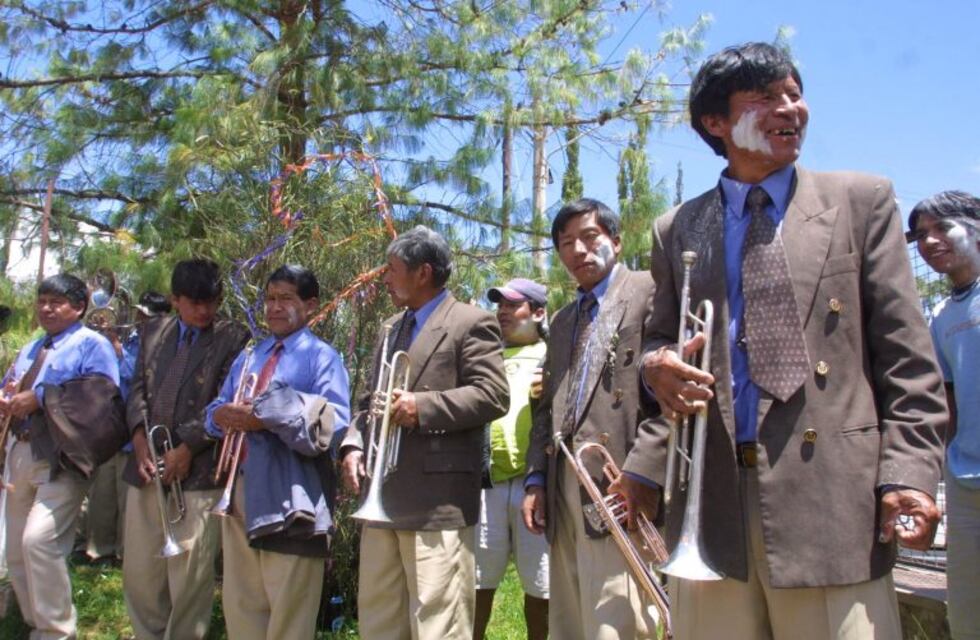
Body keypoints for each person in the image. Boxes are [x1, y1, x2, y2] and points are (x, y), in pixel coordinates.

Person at [634, 42, 947, 639]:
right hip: (714, 508)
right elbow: (657, 338)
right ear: (716, 122)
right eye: (765, 97)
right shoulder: (677, 227)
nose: (790, 109)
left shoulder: (861, 201)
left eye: (795, 94)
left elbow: (907, 360)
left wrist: (908, 474)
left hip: (834, 504)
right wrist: (657, 366)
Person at [340, 225, 509, 640]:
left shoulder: (471, 321)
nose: (385, 277)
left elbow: (493, 395)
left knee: (439, 625)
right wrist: (353, 445)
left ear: (423, 273)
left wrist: (423, 407)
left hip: (437, 503)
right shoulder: (390, 327)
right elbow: (369, 401)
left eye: (392, 268)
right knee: (379, 622)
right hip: (382, 498)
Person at [521, 198, 660, 640]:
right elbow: (547, 407)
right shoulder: (563, 319)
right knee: (570, 624)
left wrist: (645, 472)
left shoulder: (650, 290)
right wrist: (536, 479)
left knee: (616, 623)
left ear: (616, 242)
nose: (578, 250)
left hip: (621, 482)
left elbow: (668, 399)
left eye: (589, 237)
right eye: (566, 243)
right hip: (564, 488)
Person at [206, 264, 351, 640]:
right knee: (242, 604)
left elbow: (336, 423)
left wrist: (267, 418)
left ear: (310, 305)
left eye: (285, 298)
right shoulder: (250, 355)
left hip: (293, 495)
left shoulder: (322, 357)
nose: (274, 307)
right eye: (270, 298)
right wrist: (220, 415)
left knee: (289, 611)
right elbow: (217, 408)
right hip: (240, 490)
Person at [122, 260, 248, 640]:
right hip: (145, 466)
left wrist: (187, 448)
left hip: (199, 471)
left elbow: (226, 398)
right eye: (194, 302)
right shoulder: (152, 331)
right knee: (141, 570)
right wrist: (140, 440)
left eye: (211, 301)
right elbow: (137, 389)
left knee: (190, 574)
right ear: (175, 299)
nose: (204, 310)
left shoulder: (233, 336)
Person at [0, 273, 121, 639]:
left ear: (79, 307)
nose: (46, 309)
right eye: (42, 301)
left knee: (40, 541)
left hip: (62, 457)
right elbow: (13, 384)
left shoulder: (92, 344)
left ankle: (56, 631)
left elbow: (102, 399)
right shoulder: (32, 347)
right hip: (20, 449)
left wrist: (40, 398)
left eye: (56, 302)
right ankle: (34, 622)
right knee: (15, 549)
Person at [909, 191, 980, 640]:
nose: (929, 241)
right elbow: (945, 401)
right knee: (968, 615)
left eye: (941, 227)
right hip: (965, 483)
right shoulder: (940, 315)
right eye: (920, 235)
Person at [474, 278, 550, 640]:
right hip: (485, 484)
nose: (502, 312)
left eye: (512, 305)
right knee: (477, 583)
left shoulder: (554, 355)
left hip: (535, 486)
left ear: (538, 313)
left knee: (542, 586)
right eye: (499, 305)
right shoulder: (484, 357)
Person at [84, 290, 172, 562]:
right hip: (110, 429)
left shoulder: (162, 344)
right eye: (139, 314)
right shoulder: (130, 338)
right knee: (102, 493)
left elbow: (137, 378)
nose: (139, 319)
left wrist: (117, 350)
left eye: (146, 316)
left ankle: (124, 553)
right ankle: (98, 549)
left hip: (135, 434)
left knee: (128, 497)